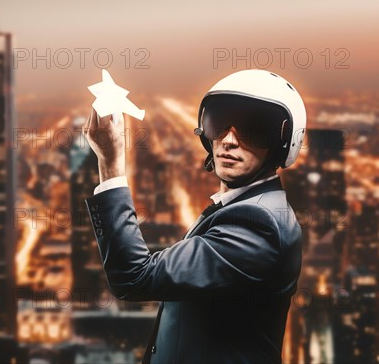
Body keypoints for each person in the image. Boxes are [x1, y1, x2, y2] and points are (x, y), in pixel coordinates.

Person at [82, 69, 306, 363]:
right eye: (219, 124)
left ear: (282, 143)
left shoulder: (259, 224)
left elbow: (134, 277)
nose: (228, 140)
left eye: (253, 130)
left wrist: (111, 166)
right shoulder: (244, 207)